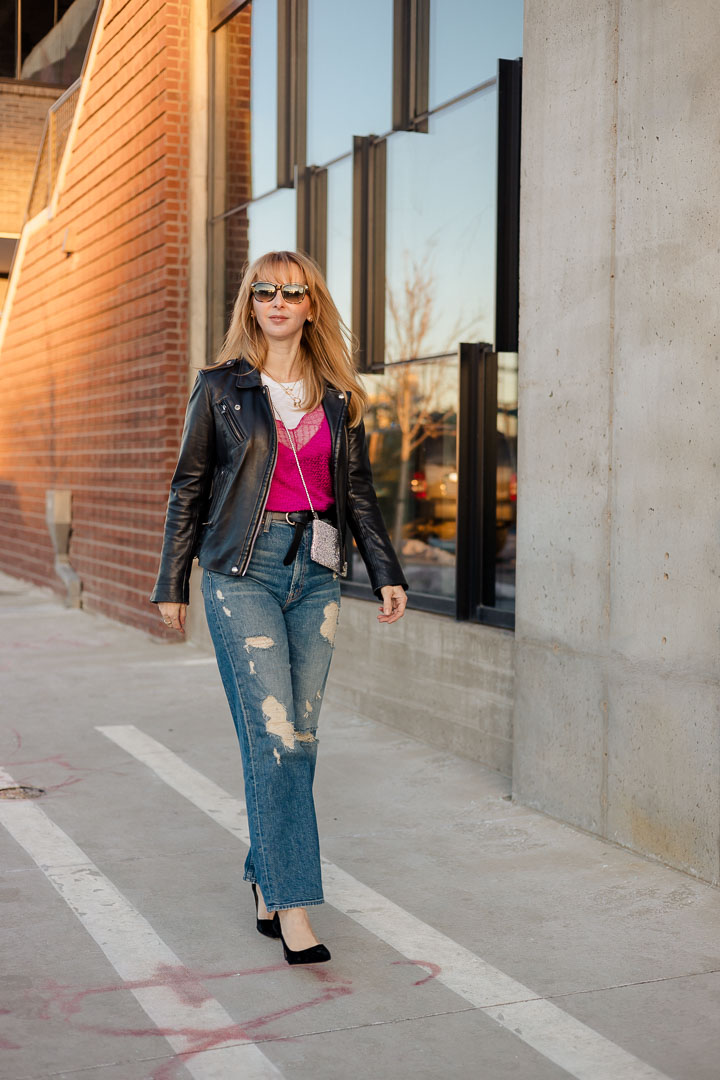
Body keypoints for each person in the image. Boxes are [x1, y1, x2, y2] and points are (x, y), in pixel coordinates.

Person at [150, 250, 408, 965]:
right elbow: (188, 491)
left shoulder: (337, 396)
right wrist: (172, 583)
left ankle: (267, 873)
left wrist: (385, 568)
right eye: (264, 290)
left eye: (292, 292)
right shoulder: (221, 388)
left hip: (315, 577)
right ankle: (293, 906)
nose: (277, 301)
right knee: (276, 740)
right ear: (250, 303)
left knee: (302, 737)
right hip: (243, 572)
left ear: (311, 306)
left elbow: (357, 493)